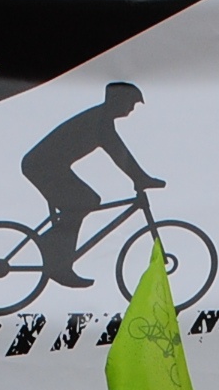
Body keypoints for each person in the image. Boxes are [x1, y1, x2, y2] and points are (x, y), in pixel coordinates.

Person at [21, 81, 158, 287]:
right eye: (131, 103)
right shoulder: (100, 122)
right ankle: (55, 255)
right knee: (84, 200)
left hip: (47, 165)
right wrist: (140, 178)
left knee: (86, 200)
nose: (132, 108)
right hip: (41, 166)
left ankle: (55, 250)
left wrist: (140, 178)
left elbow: (120, 154)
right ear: (117, 101)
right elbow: (119, 154)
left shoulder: (101, 119)